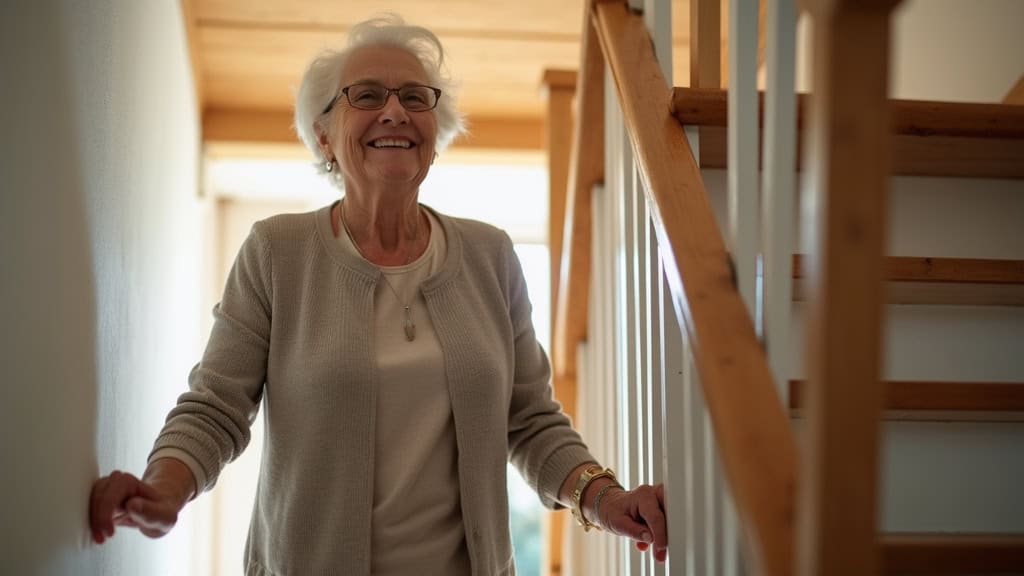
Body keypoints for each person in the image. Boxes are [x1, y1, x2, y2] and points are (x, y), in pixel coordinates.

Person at [89, 14, 667, 575]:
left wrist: (606, 499)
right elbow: (216, 408)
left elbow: (531, 421)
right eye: (365, 95)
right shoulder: (277, 252)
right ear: (324, 136)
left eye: (416, 98)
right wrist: (163, 487)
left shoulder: (490, 255)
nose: (394, 110)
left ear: (434, 139)